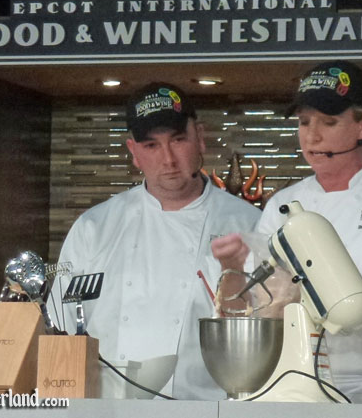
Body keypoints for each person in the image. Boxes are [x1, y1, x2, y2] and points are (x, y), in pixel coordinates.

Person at [211, 61, 362, 403]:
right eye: (304, 122)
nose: (312, 136)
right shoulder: (284, 204)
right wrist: (232, 267)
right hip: (287, 389)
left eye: (329, 122)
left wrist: (347, 292)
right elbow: (255, 311)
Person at [48, 82, 261, 400]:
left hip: (204, 408)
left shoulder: (246, 223)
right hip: (107, 409)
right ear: (133, 152)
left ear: (199, 137)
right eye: (151, 146)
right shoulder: (94, 227)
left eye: (178, 140)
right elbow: (59, 330)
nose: (168, 159)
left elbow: (267, 328)